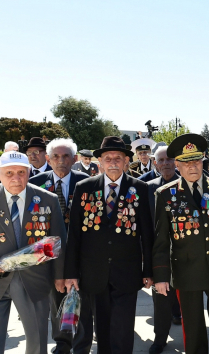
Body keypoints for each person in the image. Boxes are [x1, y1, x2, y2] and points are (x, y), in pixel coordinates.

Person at [0, 151, 67, 354]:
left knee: (36, 341)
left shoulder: (47, 199)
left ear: (28, 173)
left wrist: (60, 277)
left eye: (21, 172)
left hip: (33, 281)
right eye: (9, 173)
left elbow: (59, 242)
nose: (16, 178)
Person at [152, 133, 209, 354]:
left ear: (203, 161)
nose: (193, 167)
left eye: (197, 161)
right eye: (186, 162)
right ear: (177, 165)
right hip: (186, 269)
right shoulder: (165, 194)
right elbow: (161, 240)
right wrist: (161, 276)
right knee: (192, 326)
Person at [64, 136, 154, 353]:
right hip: (93, 273)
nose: (113, 162)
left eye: (118, 158)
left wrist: (149, 270)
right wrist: (71, 272)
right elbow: (74, 234)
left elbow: (147, 233)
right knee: (102, 329)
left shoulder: (139, 188)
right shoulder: (84, 188)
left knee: (123, 329)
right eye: (108, 158)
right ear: (100, 162)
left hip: (127, 272)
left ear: (125, 162)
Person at [28, 138, 90, 354]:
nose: (61, 160)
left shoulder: (86, 182)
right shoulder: (35, 183)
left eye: (66, 156)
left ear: (74, 159)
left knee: (80, 297)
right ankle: (62, 342)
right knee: (57, 298)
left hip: (79, 250)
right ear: (48, 159)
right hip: (49, 254)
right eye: (55, 156)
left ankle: (82, 344)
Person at [145, 146, 182, 354]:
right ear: (155, 163)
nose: (166, 163)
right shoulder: (147, 187)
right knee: (160, 298)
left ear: (176, 162)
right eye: (161, 160)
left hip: (185, 252)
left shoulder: (187, 185)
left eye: (169, 159)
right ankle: (160, 339)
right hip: (158, 253)